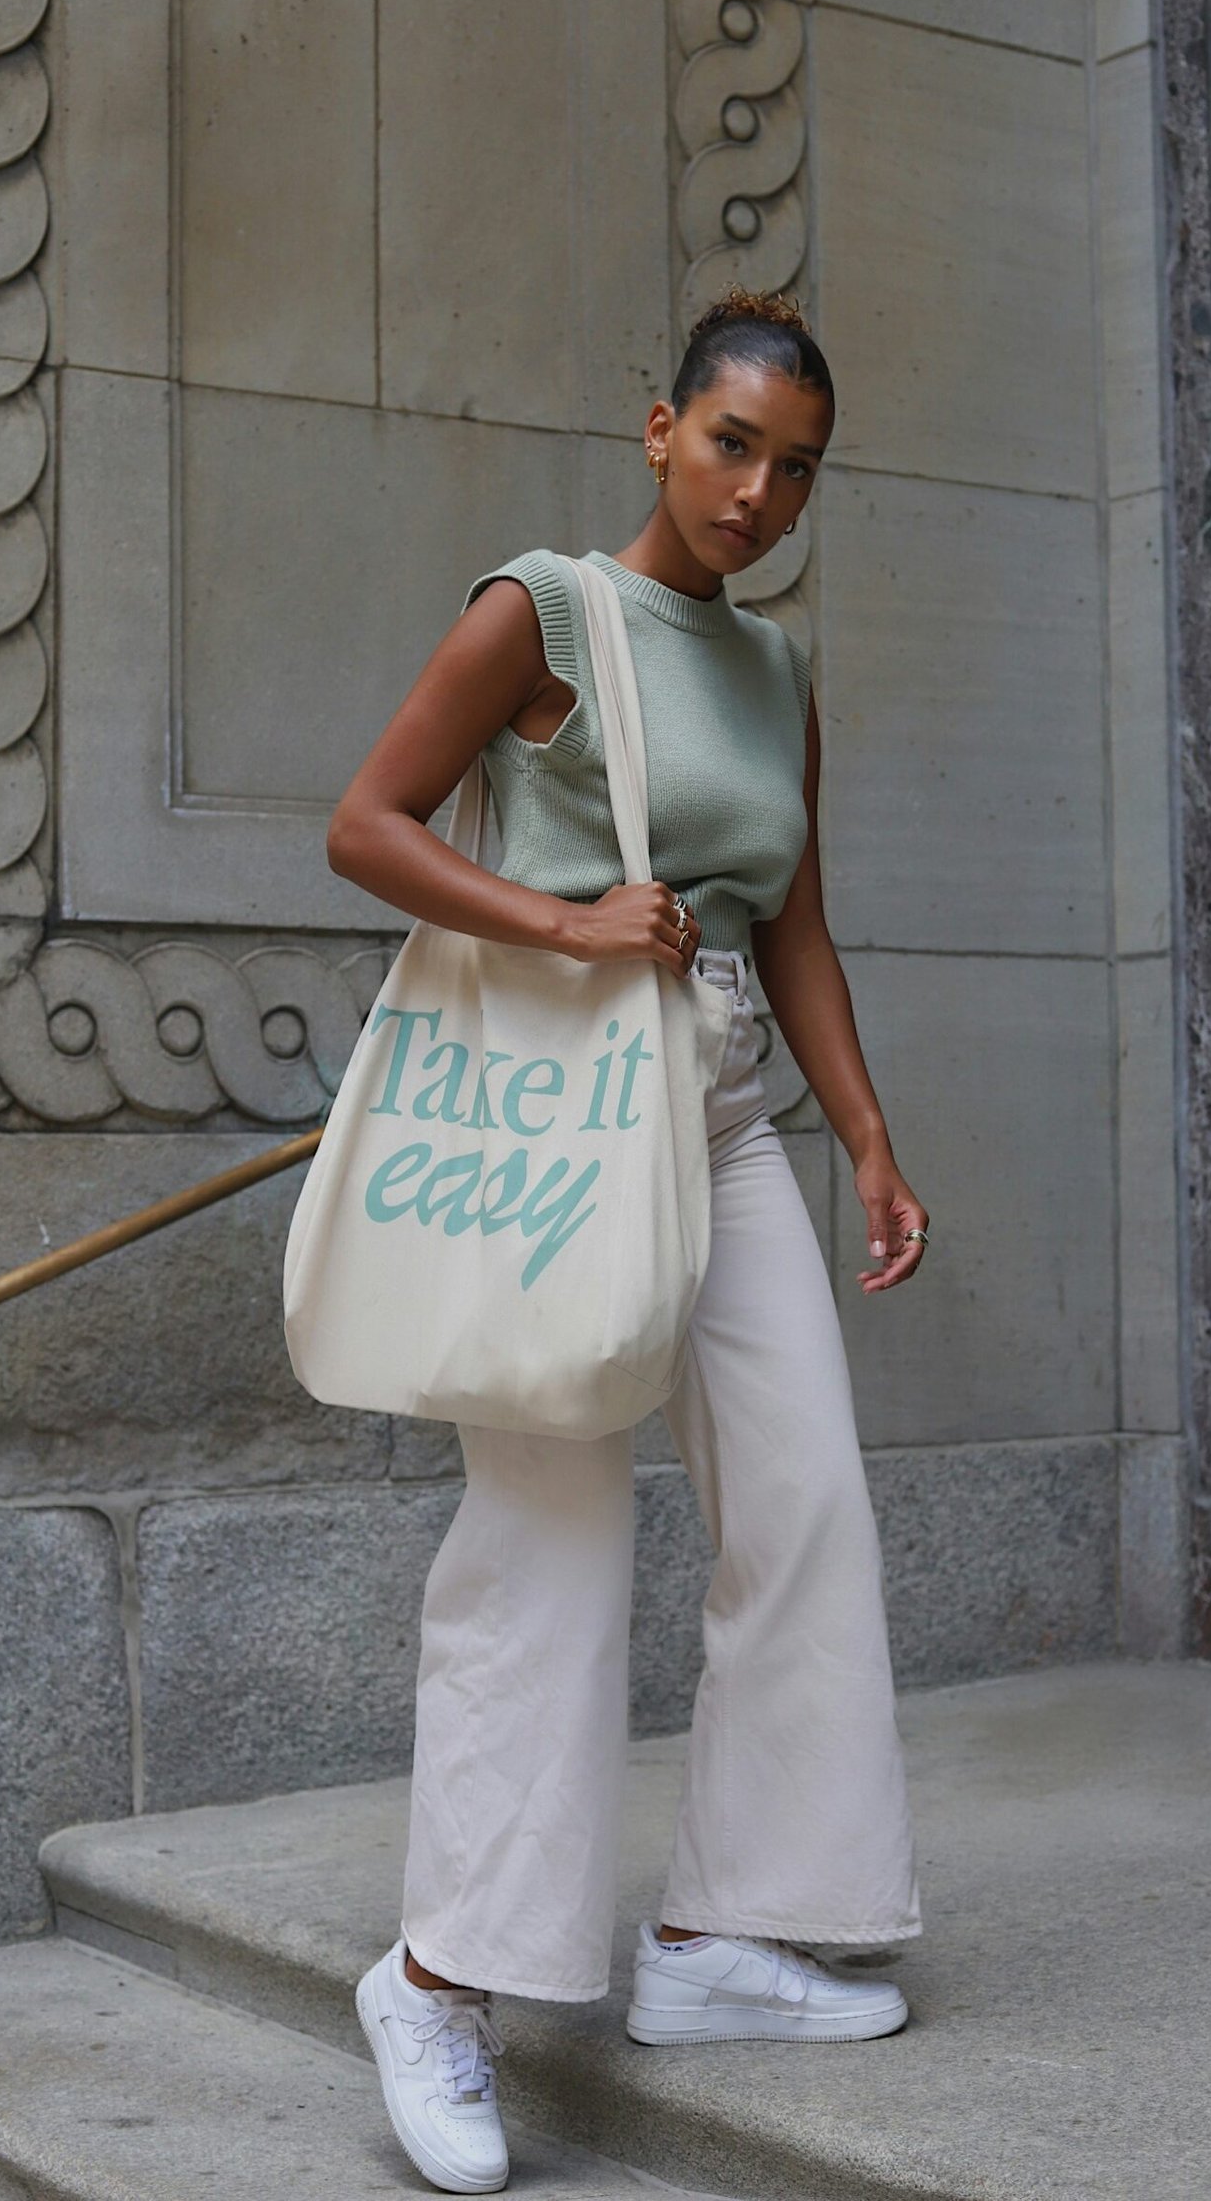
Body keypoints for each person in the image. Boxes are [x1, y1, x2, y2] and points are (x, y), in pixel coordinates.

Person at [326, 286, 930, 2196]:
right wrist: (567, 920)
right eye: (735, 442)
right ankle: (437, 1982)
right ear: (658, 426)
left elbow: (796, 922)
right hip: (570, 1127)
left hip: (734, 1122)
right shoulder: (544, 612)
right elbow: (365, 823)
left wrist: (869, 1137)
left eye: (799, 468)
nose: (761, 491)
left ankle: (721, 1936)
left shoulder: (775, 677)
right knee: (552, 1541)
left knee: (807, 1497)